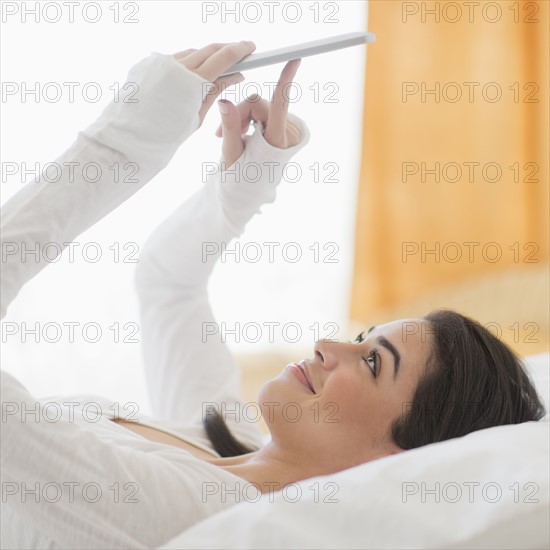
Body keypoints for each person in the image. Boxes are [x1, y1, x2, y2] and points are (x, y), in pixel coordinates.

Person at [0, 41, 545, 550]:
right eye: (362, 339)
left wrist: (125, 140)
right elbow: (168, 282)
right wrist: (239, 194)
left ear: (398, 459)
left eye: (375, 362)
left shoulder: (198, 516)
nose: (330, 345)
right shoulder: (227, 439)